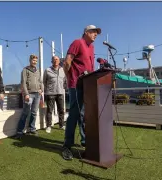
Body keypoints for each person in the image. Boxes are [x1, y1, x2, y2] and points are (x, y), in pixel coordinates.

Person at [62, 25, 102, 160]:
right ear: (86, 32)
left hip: (88, 85)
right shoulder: (77, 42)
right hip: (76, 85)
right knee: (74, 115)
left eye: (97, 33)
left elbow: (90, 67)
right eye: (93, 32)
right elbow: (67, 62)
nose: (95, 34)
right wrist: (69, 78)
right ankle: (67, 146)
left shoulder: (92, 47)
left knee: (84, 115)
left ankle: (85, 142)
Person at [15, 54, 44, 139]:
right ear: (30, 60)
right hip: (29, 94)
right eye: (33, 60)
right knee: (25, 112)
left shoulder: (38, 71)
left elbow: (41, 82)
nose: (34, 62)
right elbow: (23, 82)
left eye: (36, 61)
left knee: (34, 112)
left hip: (37, 94)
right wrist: (26, 94)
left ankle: (32, 128)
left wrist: (41, 90)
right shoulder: (25, 70)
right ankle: (19, 131)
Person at [43, 55, 66, 133]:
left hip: (60, 93)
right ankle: (48, 126)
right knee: (49, 110)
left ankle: (61, 124)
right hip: (50, 93)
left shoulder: (63, 70)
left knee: (61, 110)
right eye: (54, 59)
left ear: (59, 61)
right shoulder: (47, 70)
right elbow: (44, 82)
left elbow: (65, 81)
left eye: (57, 59)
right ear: (51, 61)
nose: (55, 60)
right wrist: (47, 91)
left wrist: (63, 88)